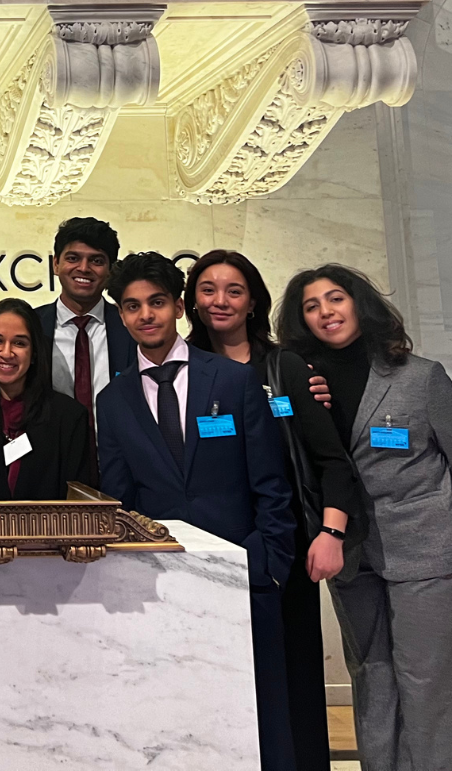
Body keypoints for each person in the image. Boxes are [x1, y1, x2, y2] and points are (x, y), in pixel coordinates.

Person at [96, 251, 296, 771]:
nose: (146, 315)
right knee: (179, 721)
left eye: (157, 302)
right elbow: (120, 501)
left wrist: (269, 564)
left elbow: (270, 482)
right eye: (133, 306)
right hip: (162, 584)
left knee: (262, 721)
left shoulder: (231, 379)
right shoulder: (112, 400)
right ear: (121, 315)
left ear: (179, 307)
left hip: (247, 575)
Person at [186, 250, 360, 771]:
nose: (220, 300)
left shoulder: (283, 367)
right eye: (208, 289)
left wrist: (331, 531)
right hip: (211, 547)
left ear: (253, 302)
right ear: (192, 300)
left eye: (234, 290)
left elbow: (332, 460)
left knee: (294, 676)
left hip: (284, 544)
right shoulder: (180, 370)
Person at [278, 264, 452, 771]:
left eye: (336, 298)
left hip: (425, 549)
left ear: (360, 303)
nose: (326, 312)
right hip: (351, 551)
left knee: (425, 677)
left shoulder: (421, 376)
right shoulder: (303, 384)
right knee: (370, 673)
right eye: (312, 306)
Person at [0, 299, 93, 500]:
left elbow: (77, 502)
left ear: (34, 352)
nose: (6, 353)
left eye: (19, 343)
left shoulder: (69, 416)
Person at [33, 217, 136, 439]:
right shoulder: (31, 326)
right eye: (73, 258)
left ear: (110, 270)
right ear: (55, 264)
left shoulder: (131, 327)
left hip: (118, 454)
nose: (83, 268)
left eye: (96, 260)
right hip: (50, 455)